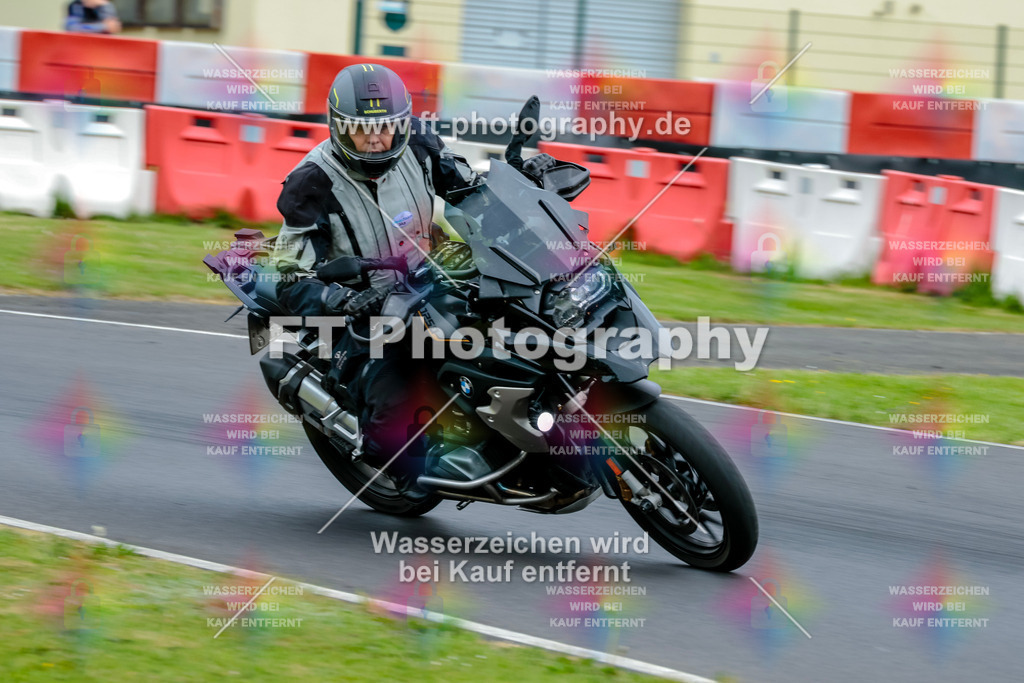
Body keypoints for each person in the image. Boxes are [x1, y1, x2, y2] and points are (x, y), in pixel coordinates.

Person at [272, 63, 479, 499]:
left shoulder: (421, 148)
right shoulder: (312, 181)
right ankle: (399, 460)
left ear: (402, 124)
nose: (373, 138)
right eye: (358, 128)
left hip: (431, 279)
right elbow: (288, 275)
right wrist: (341, 300)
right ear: (337, 127)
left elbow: (471, 191)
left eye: (384, 127)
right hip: (366, 307)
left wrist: (521, 189)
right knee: (395, 398)